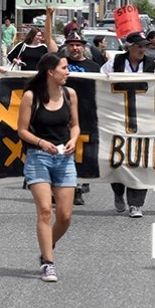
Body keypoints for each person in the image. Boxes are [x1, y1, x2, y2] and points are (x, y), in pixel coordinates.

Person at [16, 52, 79, 282]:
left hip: (64, 159)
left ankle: (47, 245)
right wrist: (42, 142)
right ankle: (48, 263)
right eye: (63, 67)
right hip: (38, 157)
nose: (67, 71)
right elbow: (22, 130)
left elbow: (75, 125)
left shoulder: (70, 94)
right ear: (51, 72)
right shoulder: (31, 97)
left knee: (65, 216)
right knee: (45, 211)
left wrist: (73, 139)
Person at [101, 31, 155, 217]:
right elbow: (100, 79)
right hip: (118, 119)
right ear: (130, 47)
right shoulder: (116, 62)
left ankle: (136, 204)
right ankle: (119, 193)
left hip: (142, 120)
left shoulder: (152, 64)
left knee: (140, 160)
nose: (142, 49)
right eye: (139, 46)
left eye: (144, 46)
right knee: (118, 159)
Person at [63, 32, 100, 207]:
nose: (74, 48)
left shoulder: (93, 67)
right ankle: (69, 187)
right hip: (62, 114)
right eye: (71, 45)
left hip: (86, 114)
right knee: (65, 150)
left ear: (84, 47)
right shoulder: (61, 65)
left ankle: (79, 184)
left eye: (78, 45)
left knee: (82, 153)